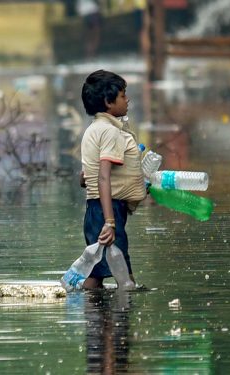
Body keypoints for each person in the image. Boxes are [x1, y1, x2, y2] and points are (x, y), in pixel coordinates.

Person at [79, 70, 146, 289]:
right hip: (106, 209)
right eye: (123, 95)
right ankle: (115, 321)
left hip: (96, 208)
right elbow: (103, 177)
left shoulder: (93, 130)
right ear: (109, 102)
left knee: (97, 272)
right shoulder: (110, 132)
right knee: (124, 278)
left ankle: (95, 320)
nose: (127, 100)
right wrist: (109, 222)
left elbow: (85, 177)